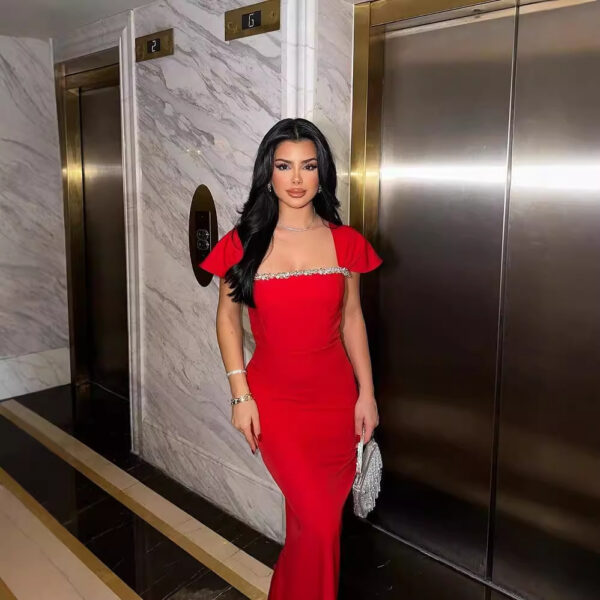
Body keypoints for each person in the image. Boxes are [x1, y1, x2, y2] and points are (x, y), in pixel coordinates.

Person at [199, 118, 383, 600]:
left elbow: (353, 320)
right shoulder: (242, 243)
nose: (297, 179)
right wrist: (240, 394)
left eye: (308, 166)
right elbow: (227, 319)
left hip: (335, 402)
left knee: (310, 528)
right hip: (275, 404)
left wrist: (367, 393)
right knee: (321, 527)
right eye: (285, 166)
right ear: (269, 173)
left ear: (323, 173)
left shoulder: (345, 243)